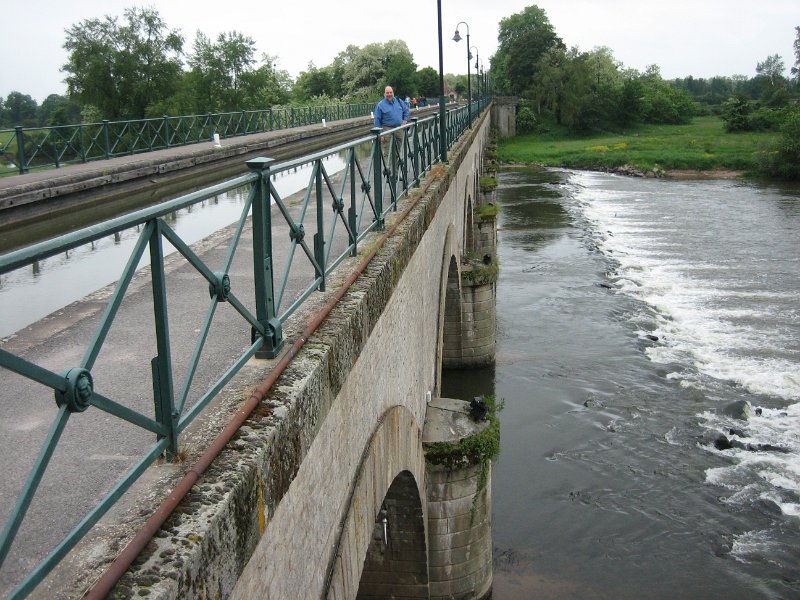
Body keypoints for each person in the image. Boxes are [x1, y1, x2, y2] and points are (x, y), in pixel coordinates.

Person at [373, 86, 410, 191]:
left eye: (390, 92)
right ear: (384, 94)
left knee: (398, 152)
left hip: (399, 129)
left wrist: (405, 120)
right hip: (387, 130)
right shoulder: (380, 105)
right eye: (387, 92)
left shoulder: (398, 101)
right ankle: (390, 175)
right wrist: (380, 134)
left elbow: (406, 111)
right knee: (388, 153)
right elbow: (377, 120)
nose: (389, 94)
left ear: (393, 93)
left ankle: (396, 174)